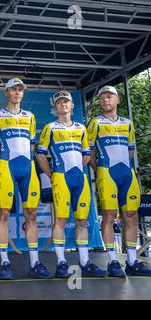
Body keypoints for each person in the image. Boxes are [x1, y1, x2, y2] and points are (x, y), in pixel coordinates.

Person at [0, 77, 53, 280]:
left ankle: (35, 262)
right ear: (6, 92)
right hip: (7, 167)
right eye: (13, 90)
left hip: (27, 168)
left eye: (20, 90)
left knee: (31, 214)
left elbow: (32, 146)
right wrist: (3, 167)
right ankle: (5, 262)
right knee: (4, 213)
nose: (17, 93)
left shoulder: (30, 117)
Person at [36, 90, 106, 278]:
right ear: (55, 106)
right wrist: (52, 174)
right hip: (60, 178)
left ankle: (85, 262)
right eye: (59, 102)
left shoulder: (81, 128)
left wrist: (76, 168)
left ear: (72, 105)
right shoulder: (50, 128)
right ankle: (61, 263)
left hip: (79, 178)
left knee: (82, 221)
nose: (63, 105)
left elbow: (87, 154)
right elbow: (40, 154)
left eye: (66, 101)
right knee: (60, 220)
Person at [87, 85, 151, 277]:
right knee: (109, 216)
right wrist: (100, 171)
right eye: (102, 98)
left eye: (109, 97)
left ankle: (132, 261)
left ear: (117, 100)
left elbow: (130, 150)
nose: (106, 100)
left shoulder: (128, 123)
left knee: (131, 216)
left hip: (127, 173)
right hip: (107, 173)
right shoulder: (95, 123)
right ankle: (113, 261)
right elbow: (89, 152)